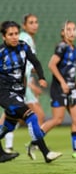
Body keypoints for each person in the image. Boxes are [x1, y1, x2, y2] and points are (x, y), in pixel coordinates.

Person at [27, 20, 76, 159]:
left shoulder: (75, 49)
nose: (72, 32)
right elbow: (52, 65)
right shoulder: (61, 47)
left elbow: (70, 71)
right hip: (59, 89)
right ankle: (34, 143)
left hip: (71, 88)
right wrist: (62, 83)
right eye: (68, 29)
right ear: (63, 32)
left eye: (74, 29)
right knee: (57, 120)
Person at [0, 20, 62, 163]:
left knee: (8, 126)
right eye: (10, 34)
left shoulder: (23, 47)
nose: (14, 37)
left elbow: (36, 62)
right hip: (4, 92)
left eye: (16, 33)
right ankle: (46, 153)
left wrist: (41, 77)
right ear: (4, 37)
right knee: (32, 117)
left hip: (18, 92)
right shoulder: (1, 53)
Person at [1, 14, 46, 153]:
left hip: (20, 86)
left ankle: (9, 146)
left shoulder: (25, 42)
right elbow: (24, 68)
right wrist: (32, 85)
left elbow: (32, 63)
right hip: (13, 87)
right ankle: (42, 149)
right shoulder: (25, 40)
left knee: (12, 118)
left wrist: (39, 77)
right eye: (31, 22)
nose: (35, 25)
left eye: (36, 22)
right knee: (34, 115)